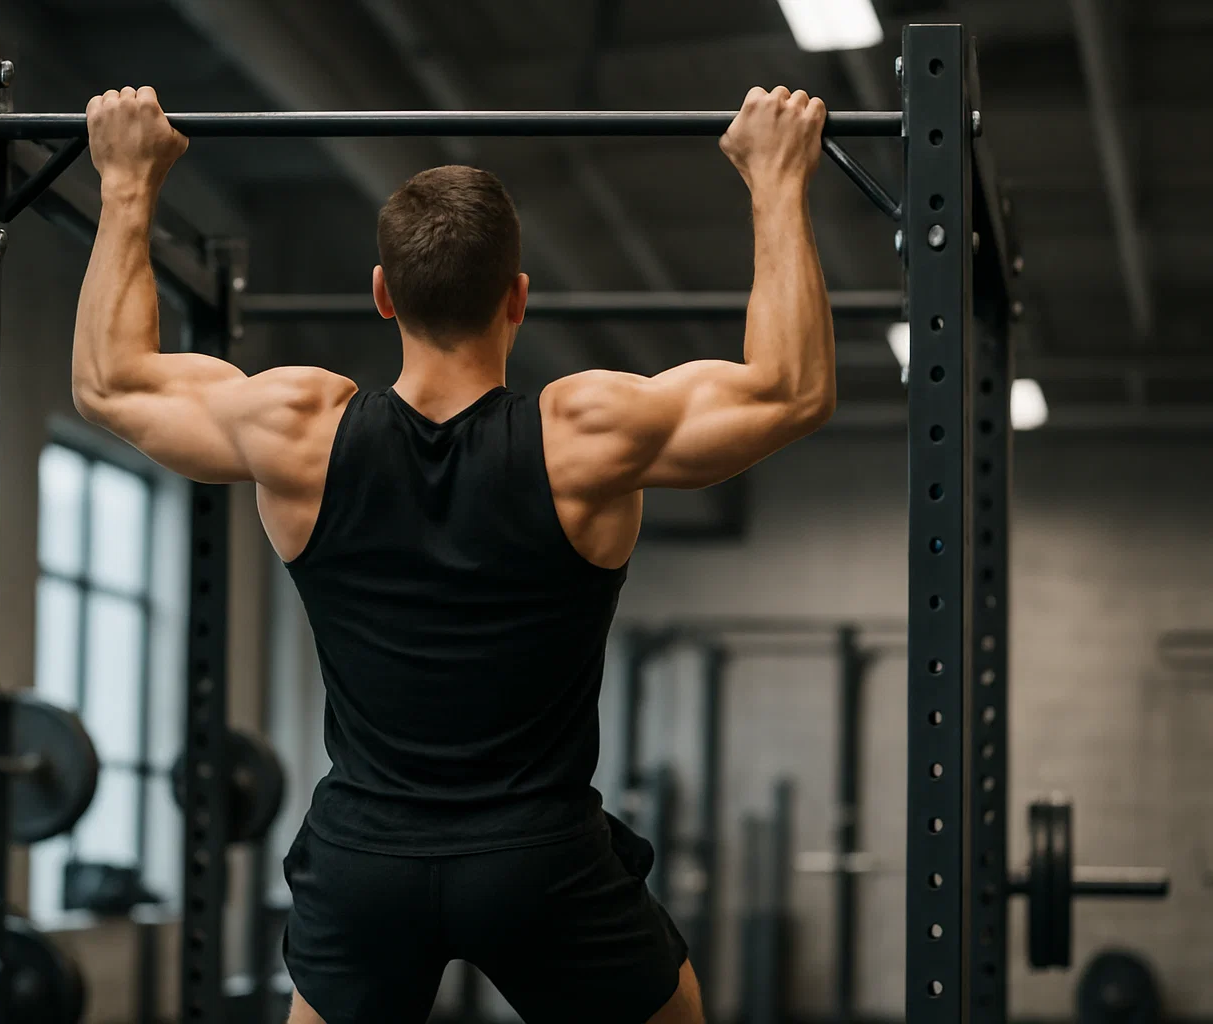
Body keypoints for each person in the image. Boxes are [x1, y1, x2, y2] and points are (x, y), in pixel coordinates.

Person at [74, 83, 834, 1024]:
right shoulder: (585, 435)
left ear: (383, 295)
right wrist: (775, 177)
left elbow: (110, 385)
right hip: (540, 862)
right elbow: (791, 391)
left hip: (365, 863)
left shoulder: (299, 428)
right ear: (518, 297)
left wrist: (125, 182)